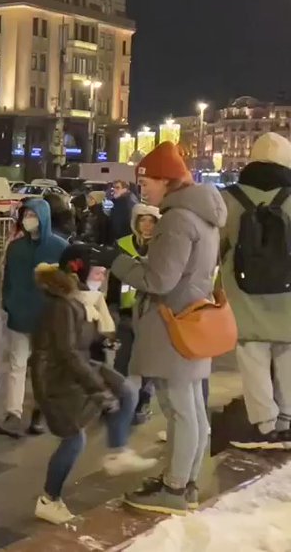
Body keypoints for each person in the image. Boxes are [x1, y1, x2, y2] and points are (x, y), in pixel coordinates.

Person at [106, 142, 224, 515]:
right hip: (193, 319)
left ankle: (175, 488)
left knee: (179, 409)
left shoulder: (177, 220)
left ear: (167, 180)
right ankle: (184, 480)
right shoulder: (202, 214)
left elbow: (158, 280)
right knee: (191, 407)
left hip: (173, 324)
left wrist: (116, 261)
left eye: (147, 183)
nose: (143, 190)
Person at [30, 245, 157, 525]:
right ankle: (49, 499)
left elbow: (77, 341)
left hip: (74, 367)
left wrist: (102, 340)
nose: (102, 276)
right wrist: (98, 391)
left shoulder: (79, 299)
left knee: (126, 390)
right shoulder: (63, 305)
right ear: (78, 270)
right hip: (55, 380)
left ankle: (117, 452)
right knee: (74, 440)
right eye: (97, 271)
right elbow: (67, 352)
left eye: (103, 271)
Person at [221, 133, 291, 450]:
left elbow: (217, 245)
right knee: (287, 354)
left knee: (253, 357)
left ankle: (264, 424)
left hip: (243, 293)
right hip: (287, 294)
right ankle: (287, 419)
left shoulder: (229, 198)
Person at [0, 198, 68, 439]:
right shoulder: (16, 248)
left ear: (43, 217)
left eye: (33, 215)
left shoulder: (60, 247)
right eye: (25, 215)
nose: (28, 220)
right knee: (17, 365)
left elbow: (67, 283)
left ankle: (39, 412)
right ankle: (13, 414)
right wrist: (8, 302)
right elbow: (8, 279)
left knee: (42, 368)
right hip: (20, 315)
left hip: (47, 318)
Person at [108, 203, 161, 424]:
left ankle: (143, 401)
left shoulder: (163, 247)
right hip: (126, 313)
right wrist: (111, 308)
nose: (147, 225)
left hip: (151, 313)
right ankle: (118, 399)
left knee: (148, 361)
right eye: (142, 220)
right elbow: (113, 280)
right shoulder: (123, 245)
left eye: (151, 221)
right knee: (122, 360)